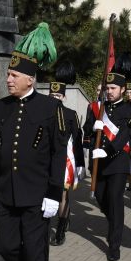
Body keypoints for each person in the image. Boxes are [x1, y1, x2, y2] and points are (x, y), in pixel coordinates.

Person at [0, 23, 67, 261]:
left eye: (13, 75)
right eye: (8, 74)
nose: (8, 79)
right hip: (6, 193)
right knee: (4, 246)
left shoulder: (50, 108)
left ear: (29, 79)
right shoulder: (0, 108)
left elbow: (59, 154)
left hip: (37, 196)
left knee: (35, 252)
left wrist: (54, 194)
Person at [88, 57, 131, 261]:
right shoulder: (98, 109)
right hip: (99, 163)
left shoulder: (130, 110)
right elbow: (87, 133)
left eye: (113, 88)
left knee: (115, 200)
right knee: (101, 197)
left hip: (117, 162)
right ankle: (114, 223)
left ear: (122, 90)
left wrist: (107, 150)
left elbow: (125, 135)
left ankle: (114, 244)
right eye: (107, 88)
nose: (109, 91)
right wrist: (93, 129)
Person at [48, 61, 84, 247]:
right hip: (46, 161)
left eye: (58, 95)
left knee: (63, 195)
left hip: (65, 161)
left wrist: (80, 165)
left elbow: (77, 141)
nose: (55, 98)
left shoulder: (71, 115)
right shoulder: (43, 113)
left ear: (63, 96)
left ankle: (61, 230)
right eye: (52, 95)